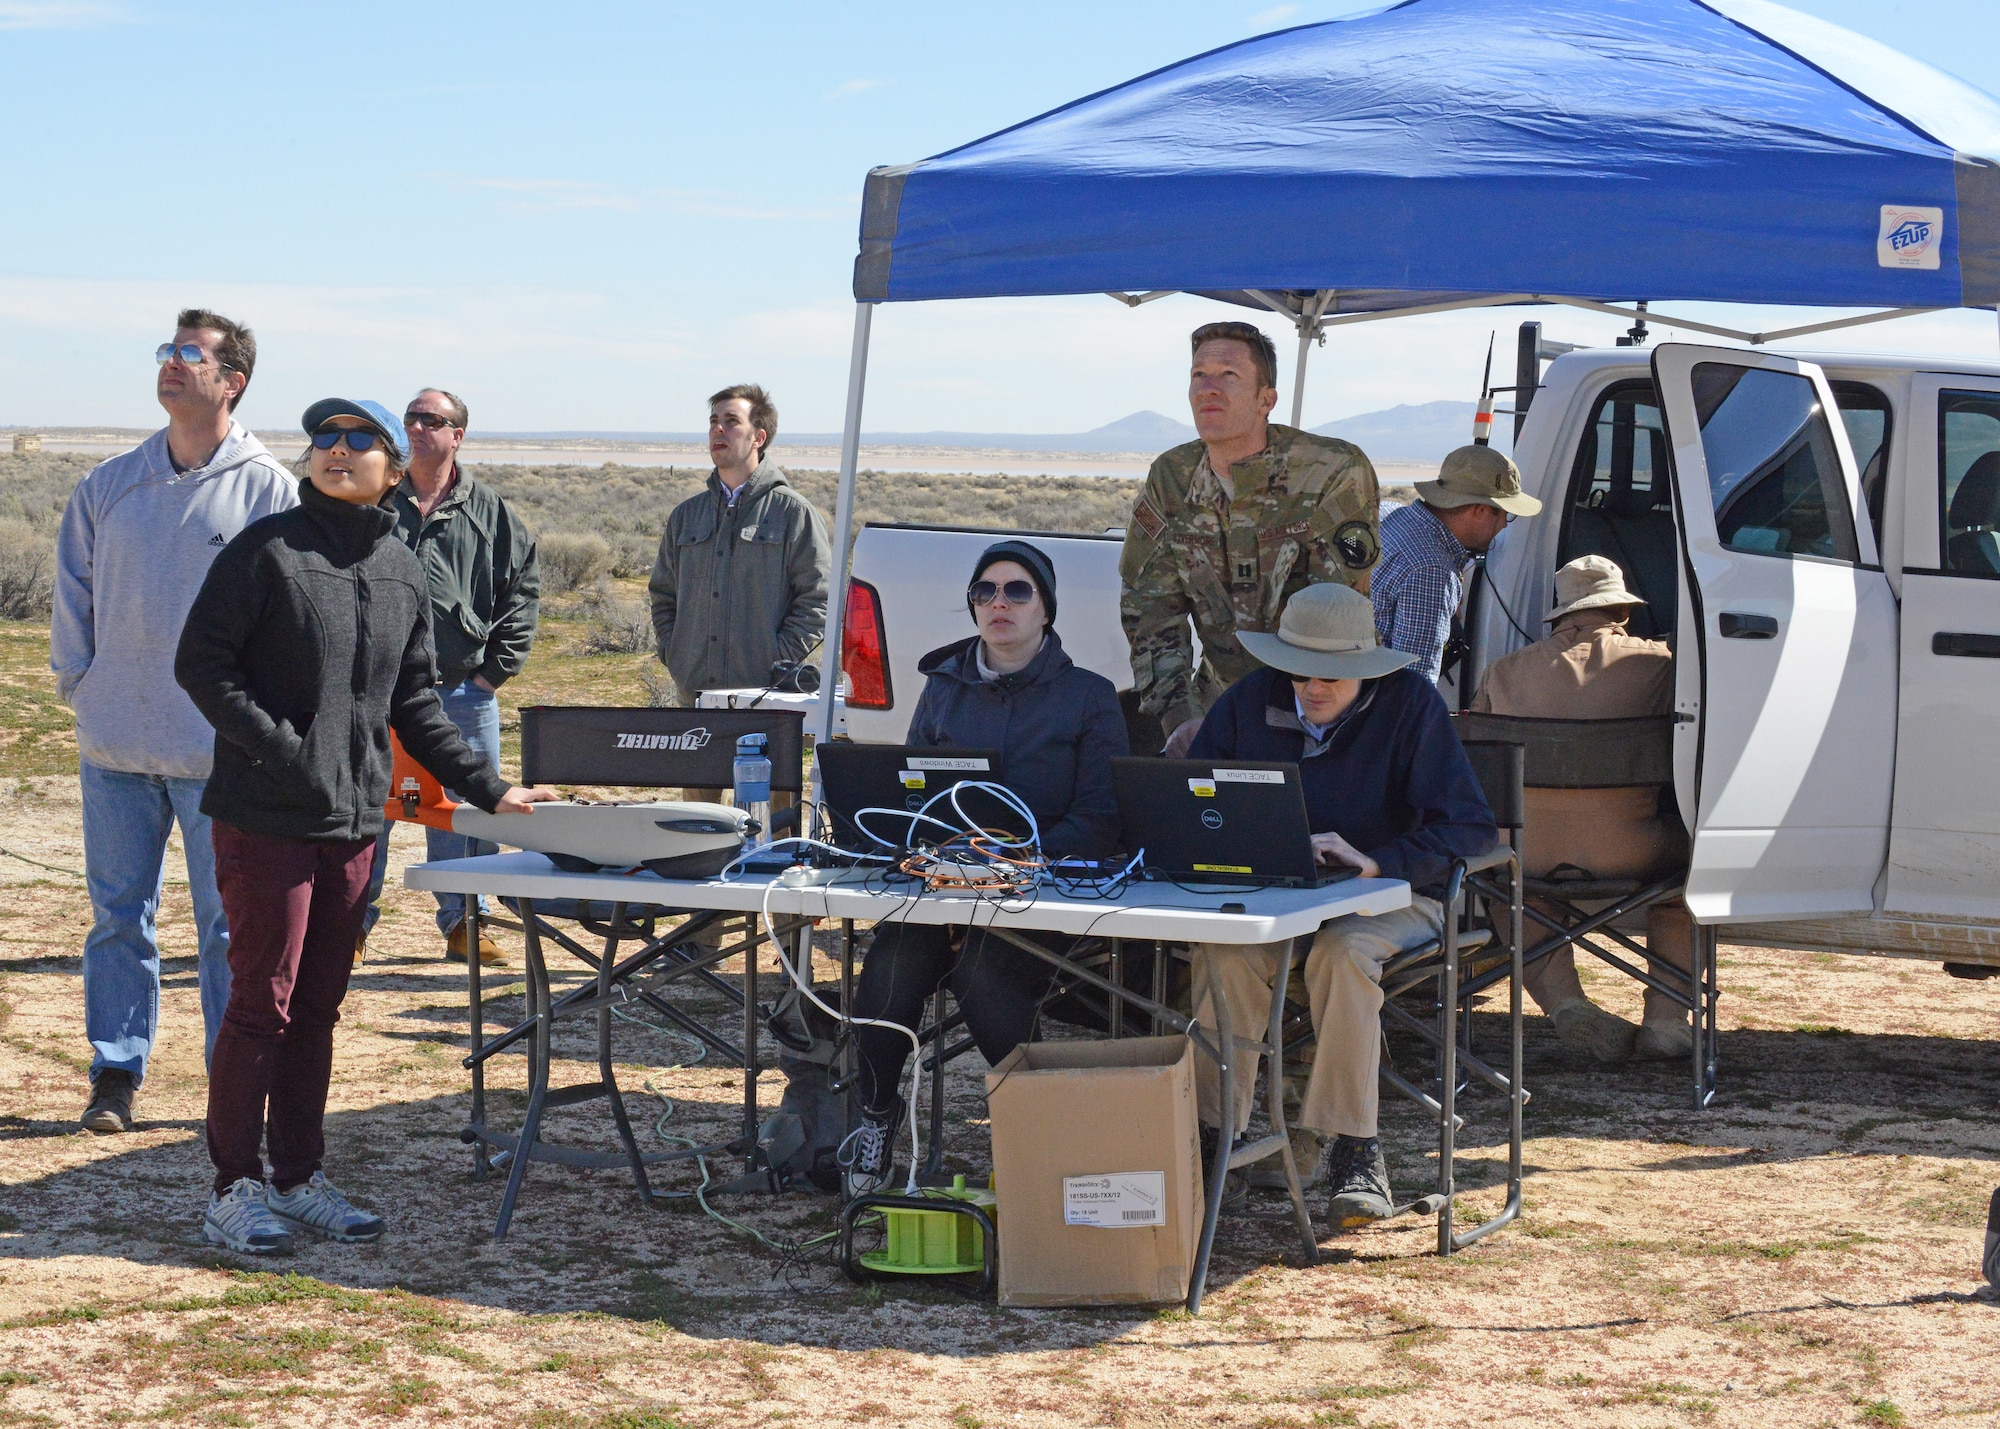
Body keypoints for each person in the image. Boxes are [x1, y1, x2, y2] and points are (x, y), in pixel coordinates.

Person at [174, 398, 559, 1255]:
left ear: (391, 466)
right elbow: (201, 664)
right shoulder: (265, 551)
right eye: (324, 439)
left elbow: (416, 702)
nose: (337, 451)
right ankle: (233, 1186)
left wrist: (488, 791)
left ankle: (299, 1175)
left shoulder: (397, 567)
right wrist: (283, 750)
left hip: (353, 820)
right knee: (259, 1005)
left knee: (318, 1005)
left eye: (359, 441)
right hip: (265, 815)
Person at [51, 309, 299, 1135]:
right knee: (119, 917)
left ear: (232, 380)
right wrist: (83, 685)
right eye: (167, 350)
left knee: (229, 927)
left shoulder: (269, 489)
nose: (170, 363)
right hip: (115, 744)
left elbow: (287, 617)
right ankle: (115, 1072)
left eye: (190, 354)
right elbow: (73, 595)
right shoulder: (110, 484)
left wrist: (255, 724)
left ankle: (230, 1085)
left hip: (217, 756)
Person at [1186, 582, 1495, 1228]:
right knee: (1223, 951)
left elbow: (1471, 831)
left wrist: (1378, 859)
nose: (1312, 686)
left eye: (1331, 674)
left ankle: (1354, 1149)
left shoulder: (1412, 707)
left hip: (1394, 894)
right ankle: (1217, 1140)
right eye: (1298, 671)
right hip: (1276, 895)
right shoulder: (1249, 702)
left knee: (1342, 954)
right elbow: (1193, 802)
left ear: (1365, 668)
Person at [843, 540, 1129, 1192]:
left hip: (1039, 893)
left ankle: (1030, 1133)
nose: (999, 603)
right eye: (985, 591)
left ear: (1046, 609)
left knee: (982, 969)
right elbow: (910, 790)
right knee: (893, 957)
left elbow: (1102, 814)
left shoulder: (1088, 697)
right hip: (943, 885)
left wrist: (1025, 857)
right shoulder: (944, 686)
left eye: (1017, 591)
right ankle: (876, 1116)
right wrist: (928, 850)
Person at [1471, 555, 1693, 1062]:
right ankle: (1667, 1017)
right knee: (1691, 877)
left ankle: (1566, 1004)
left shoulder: (1504, 672)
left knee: (1511, 885)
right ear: (1621, 610)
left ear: (1562, 613)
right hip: (1631, 853)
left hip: (1526, 852)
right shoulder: (1662, 665)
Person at [1121, 321, 1380, 755]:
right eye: (1198, 375)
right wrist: (1180, 720)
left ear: (1266, 400)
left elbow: (1334, 614)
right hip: (1217, 706)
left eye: (1229, 375)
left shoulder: (1330, 471)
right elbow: (1150, 611)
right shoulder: (1172, 477)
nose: (1208, 388)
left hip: (1319, 705)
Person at [358, 388, 541, 967]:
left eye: (430, 420)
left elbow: (524, 590)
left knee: (469, 810)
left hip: (461, 691)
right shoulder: (375, 500)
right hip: (374, 692)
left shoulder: (489, 512)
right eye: (410, 417)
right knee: (366, 808)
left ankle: (467, 921)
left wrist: (492, 674)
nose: (415, 427)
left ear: (457, 434)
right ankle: (348, 926)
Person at [648, 385, 831, 701]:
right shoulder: (686, 516)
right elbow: (664, 594)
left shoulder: (793, 513)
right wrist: (673, 651)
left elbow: (817, 599)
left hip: (762, 698)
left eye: (731, 421)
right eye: (713, 420)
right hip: (694, 696)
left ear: (758, 438)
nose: (718, 429)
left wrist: (777, 659)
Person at [1372, 444, 1543, 686]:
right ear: (1480, 510)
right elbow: (1415, 689)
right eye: (1505, 513)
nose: (1505, 525)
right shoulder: (1432, 571)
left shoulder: (1394, 516)